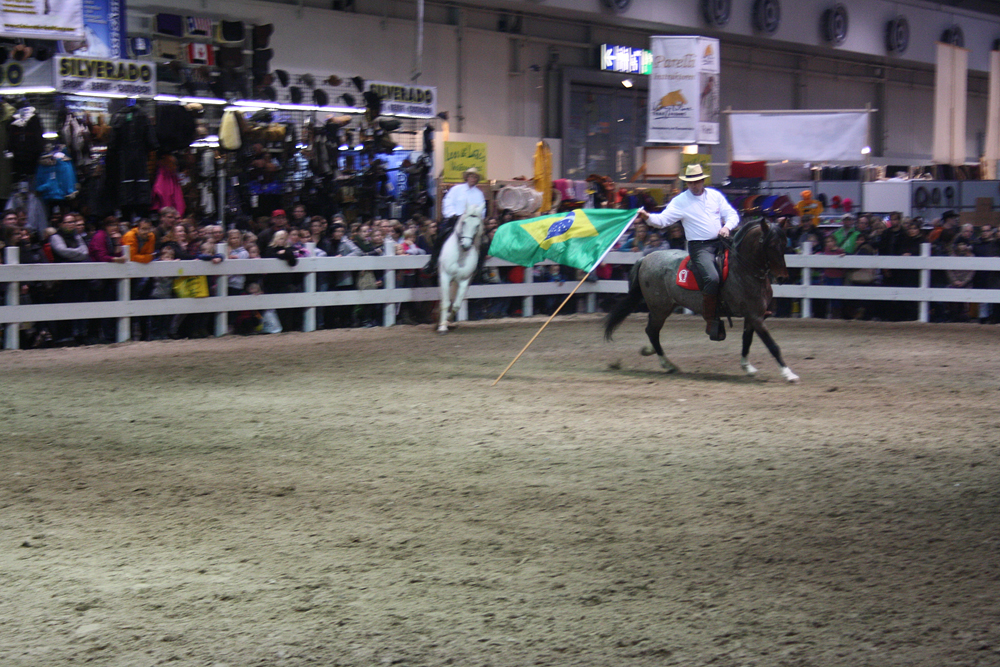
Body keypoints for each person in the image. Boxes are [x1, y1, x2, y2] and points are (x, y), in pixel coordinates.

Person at [638, 163, 739, 340]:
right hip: (700, 248)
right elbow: (663, 220)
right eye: (690, 182)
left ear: (702, 181)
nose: (693, 185)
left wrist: (727, 227)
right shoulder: (680, 201)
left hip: (721, 241)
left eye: (696, 181)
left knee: (744, 264)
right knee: (712, 278)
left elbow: (732, 215)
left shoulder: (715, 195)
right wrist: (648, 218)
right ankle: (711, 320)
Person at [426, 166, 486, 273]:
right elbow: (447, 202)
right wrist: (452, 214)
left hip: (471, 223)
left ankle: (479, 268)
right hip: (455, 220)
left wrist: (477, 218)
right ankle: (433, 263)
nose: (473, 179)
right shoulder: (456, 189)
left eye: (475, 177)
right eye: (471, 176)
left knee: (484, 242)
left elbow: (482, 210)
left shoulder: (479, 194)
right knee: (441, 237)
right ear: (467, 177)